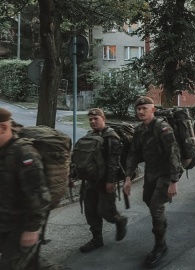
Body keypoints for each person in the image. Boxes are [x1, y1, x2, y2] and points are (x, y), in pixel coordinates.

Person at [123, 97, 184, 268]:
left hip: (165, 174)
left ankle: (160, 246)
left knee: (155, 208)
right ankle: (160, 224)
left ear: (153, 109)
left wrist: (174, 181)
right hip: (151, 173)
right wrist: (128, 177)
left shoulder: (163, 128)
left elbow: (173, 155)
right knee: (148, 201)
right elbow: (133, 154)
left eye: (144, 108)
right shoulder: (140, 130)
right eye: (138, 109)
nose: (140, 112)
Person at [0, 107, 62, 270]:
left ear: (3, 127)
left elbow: (39, 195)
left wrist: (32, 229)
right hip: (5, 223)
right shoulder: (2, 151)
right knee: (32, 264)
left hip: (22, 225)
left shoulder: (24, 153)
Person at [76, 108, 128, 253]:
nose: (92, 121)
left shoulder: (111, 137)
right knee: (90, 211)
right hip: (91, 180)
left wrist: (111, 181)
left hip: (105, 180)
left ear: (103, 118)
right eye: (90, 119)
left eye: (95, 119)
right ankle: (97, 239)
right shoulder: (89, 135)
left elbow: (114, 161)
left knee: (106, 211)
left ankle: (119, 220)